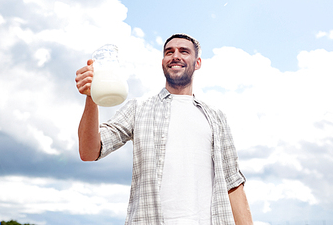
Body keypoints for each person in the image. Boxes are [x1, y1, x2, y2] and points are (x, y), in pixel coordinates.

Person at [75, 33, 253, 225]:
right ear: (163, 62)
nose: (175, 56)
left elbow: (233, 184)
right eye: (169, 52)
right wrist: (91, 97)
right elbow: (89, 151)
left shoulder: (216, 117)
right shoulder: (138, 108)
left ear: (198, 62)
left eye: (184, 51)